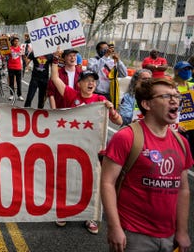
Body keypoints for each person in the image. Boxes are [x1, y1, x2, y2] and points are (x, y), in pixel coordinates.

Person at [101, 78, 193, 252]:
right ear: (147, 104)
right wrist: (114, 227)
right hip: (133, 235)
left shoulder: (182, 143)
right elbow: (107, 183)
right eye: (166, 96)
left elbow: (183, 189)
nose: (174, 100)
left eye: (176, 96)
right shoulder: (126, 137)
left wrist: (182, 231)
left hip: (169, 235)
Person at [50, 50, 122, 234]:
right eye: (87, 80)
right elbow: (56, 79)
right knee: (68, 179)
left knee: (93, 181)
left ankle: (90, 215)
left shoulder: (100, 100)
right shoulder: (71, 95)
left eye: (94, 81)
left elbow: (119, 122)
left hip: (94, 150)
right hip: (72, 146)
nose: (91, 83)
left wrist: (111, 110)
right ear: (79, 83)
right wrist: (55, 60)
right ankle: (65, 211)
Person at [7, 36, 24, 101]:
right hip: (11, 67)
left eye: (17, 41)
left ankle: (19, 95)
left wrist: (24, 66)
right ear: (13, 42)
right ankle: (11, 95)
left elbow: (23, 57)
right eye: (15, 41)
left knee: (19, 82)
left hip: (18, 67)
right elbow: (5, 55)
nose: (16, 42)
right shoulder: (10, 48)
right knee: (11, 82)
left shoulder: (20, 49)